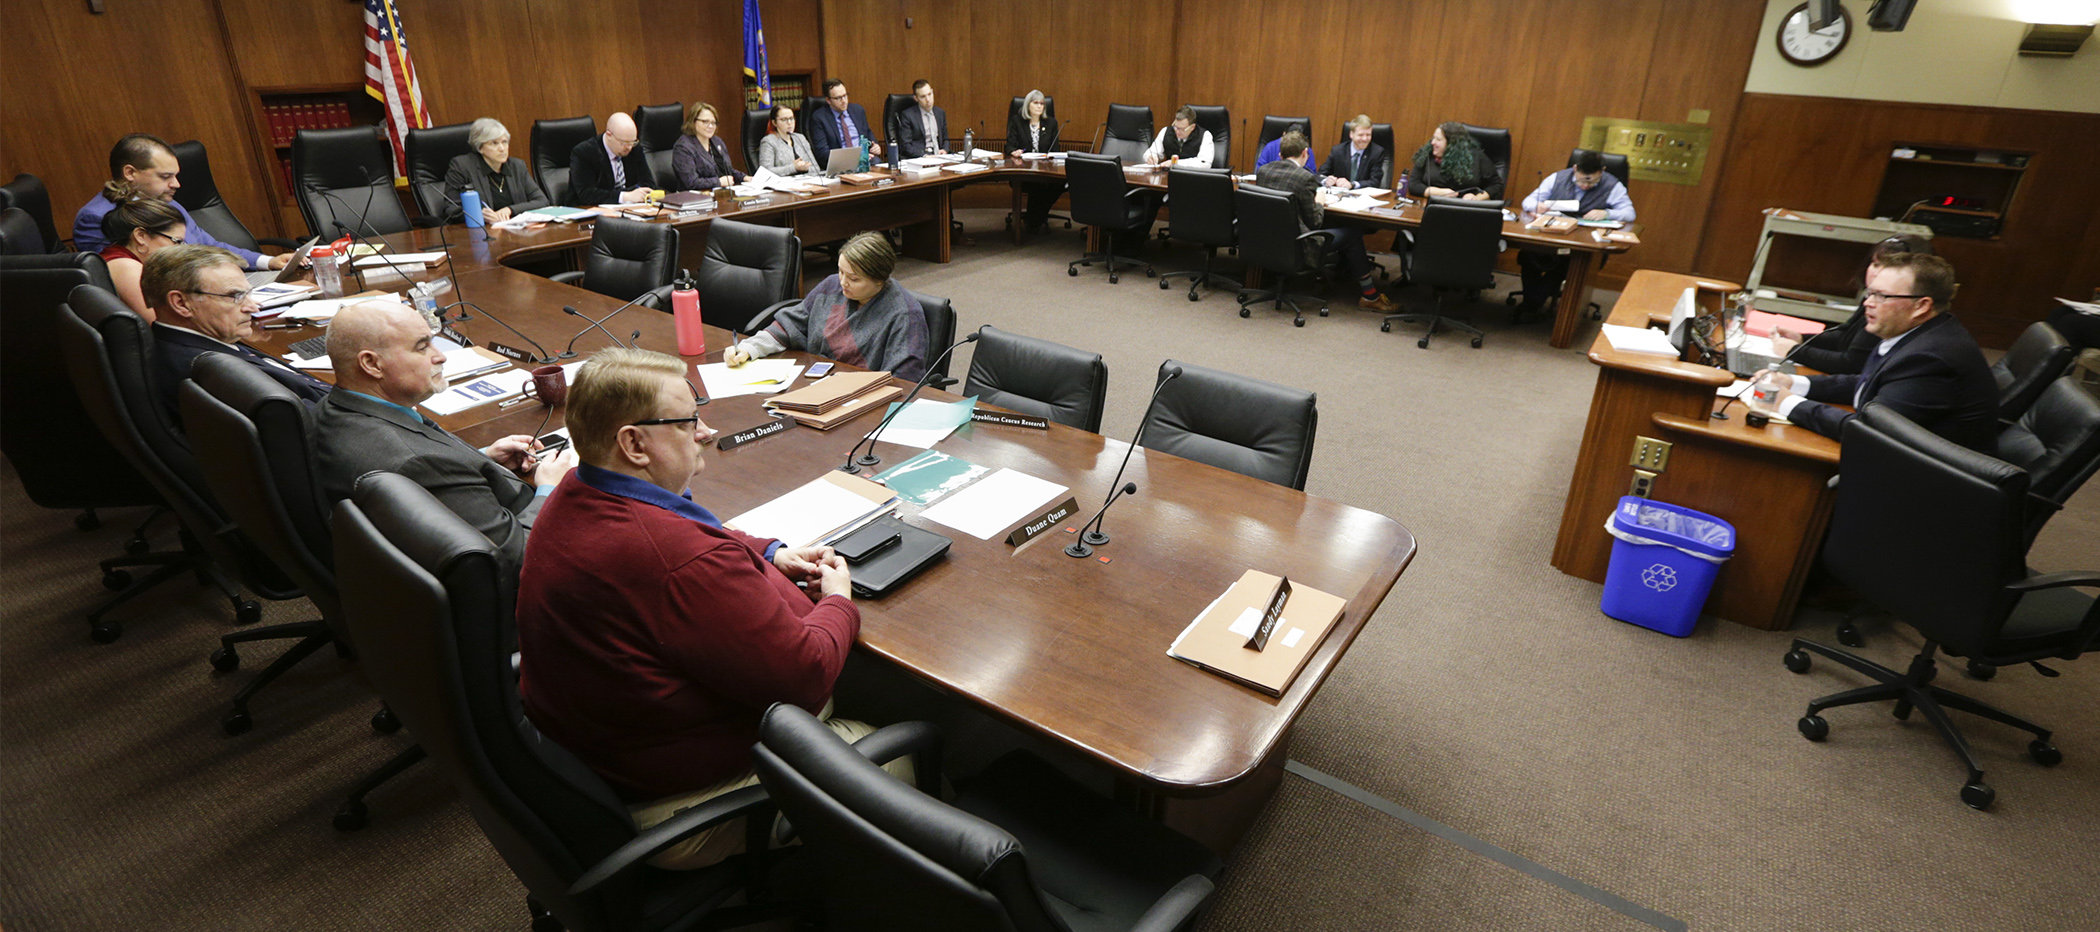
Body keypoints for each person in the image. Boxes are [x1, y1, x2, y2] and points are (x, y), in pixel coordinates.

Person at [516, 347, 906, 869]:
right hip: (685, 800)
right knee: (918, 745)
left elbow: (691, 531)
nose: (704, 431)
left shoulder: (575, 490)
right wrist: (838, 600)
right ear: (633, 443)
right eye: (688, 420)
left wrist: (769, 551)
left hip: (609, 759)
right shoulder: (677, 559)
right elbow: (806, 674)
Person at [312, 300, 575, 566]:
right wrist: (551, 488)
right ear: (372, 364)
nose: (441, 356)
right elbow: (519, 555)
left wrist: (483, 458)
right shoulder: (419, 463)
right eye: (422, 346)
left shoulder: (331, 409)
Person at [1748, 253, 1997, 451]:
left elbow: (1869, 432)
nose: (1868, 302)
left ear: (1921, 306)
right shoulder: (1913, 331)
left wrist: (1787, 402)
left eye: (1882, 296)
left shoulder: (1932, 358)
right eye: (1870, 293)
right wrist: (1795, 383)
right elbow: (1869, 383)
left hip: (1927, 487)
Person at [142, 245, 331, 421]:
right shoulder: (212, 372)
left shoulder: (194, 341)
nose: (253, 307)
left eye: (248, 293)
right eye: (235, 296)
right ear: (181, 304)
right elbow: (319, 426)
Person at [722, 232, 929, 381]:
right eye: (841, 271)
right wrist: (750, 348)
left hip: (859, 397)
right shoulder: (831, 286)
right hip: (813, 378)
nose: (843, 283)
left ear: (880, 280)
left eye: (854, 279)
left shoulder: (904, 315)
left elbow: (902, 380)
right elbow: (790, 325)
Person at [72, 134, 290, 270]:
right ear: (130, 172)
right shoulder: (96, 217)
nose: (176, 184)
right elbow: (117, 278)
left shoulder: (169, 203)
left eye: (176, 176)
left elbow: (211, 247)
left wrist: (268, 262)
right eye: (165, 177)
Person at [1254, 132, 1396, 312]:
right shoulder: (1304, 178)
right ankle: (1370, 296)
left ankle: (1323, 278)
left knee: (1334, 228)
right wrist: (1319, 202)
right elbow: (1315, 223)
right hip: (1299, 245)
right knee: (1352, 233)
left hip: (1268, 241)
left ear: (1280, 155)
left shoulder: (1264, 172)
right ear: (1305, 153)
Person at [1768, 235, 1932, 374]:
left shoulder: (1895, 308)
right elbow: (1844, 336)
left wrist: (1795, 351)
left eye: (1888, 266)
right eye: (1875, 263)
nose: (1876, 272)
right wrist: (1802, 339)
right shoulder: (1872, 296)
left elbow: (1852, 364)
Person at [1514, 150, 1636, 320]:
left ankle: (1531, 304)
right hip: (1554, 234)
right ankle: (1533, 302)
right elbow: (1528, 201)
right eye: (1581, 180)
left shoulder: (1613, 185)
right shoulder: (1558, 178)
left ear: (1602, 171)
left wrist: (1607, 213)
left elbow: (1630, 213)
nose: (1585, 186)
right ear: (1575, 168)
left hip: (1584, 242)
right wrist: (1537, 206)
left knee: (1565, 263)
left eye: (1591, 182)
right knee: (1527, 255)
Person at [442, 118, 549, 225]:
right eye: (494, 143)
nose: (502, 148)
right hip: (482, 232)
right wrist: (478, 215)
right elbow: (451, 208)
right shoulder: (462, 167)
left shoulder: (517, 166)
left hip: (516, 229)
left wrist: (510, 209)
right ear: (480, 147)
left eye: (504, 142)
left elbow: (542, 201)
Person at [97, 198, 187, 321]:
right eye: (177, 241)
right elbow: (159, 323)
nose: (180, 249)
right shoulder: (125, 267)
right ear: (141, 236)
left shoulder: (125, 259)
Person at [1006, 89, 1065, 233]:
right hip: (1023, 170)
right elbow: (1009, 146)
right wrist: (1014, 151)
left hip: (1045, 170)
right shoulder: (1017, 121)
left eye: (1042, 104)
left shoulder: (1051, 123)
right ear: (1028, 105)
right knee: (1038, 185)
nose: (1039, 106)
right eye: (1035, 103)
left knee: (1060, 184)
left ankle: (1034, 218)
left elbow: (1055, 150)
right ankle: (1035, 220)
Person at [567, 112, 654, 206]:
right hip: (590, 211)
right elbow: (586, 194)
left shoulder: (633, 148)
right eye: (624, 143)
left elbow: (648, 182)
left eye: (632, 142)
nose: (629, 147)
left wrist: (632, 195)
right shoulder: (584, 153)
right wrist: (625, 196)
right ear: (609, 135)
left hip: (630, 208)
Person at [1407, 122, 1502, 201]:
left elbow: (1496, 185)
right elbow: (1413, 185)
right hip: (1433, 206)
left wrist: (1477, 198)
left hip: (1466, 209)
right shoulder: (1427, 154)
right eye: (1433, 138)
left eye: (1438, 139)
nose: (1433, 142)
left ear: (1452, 145)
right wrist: (1440, 192)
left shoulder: (1476, 157)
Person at [807, 79, 882, 169]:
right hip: (840, 164)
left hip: (865, 161)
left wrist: (875, 146)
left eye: (845, 95)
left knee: (881, 168)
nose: (844, 101)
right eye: (838, 98)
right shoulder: (819, 117)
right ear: (828, 100)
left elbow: (868, 133)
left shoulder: (857, 110)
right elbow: (822, 152)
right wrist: (853, 158)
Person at [671, 102, 747, 192]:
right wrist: (718, 182)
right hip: (695, 199)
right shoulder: (683, 147)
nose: (710, 126)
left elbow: (727, 170)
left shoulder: (716, 141)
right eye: (705, 122)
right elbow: (691, 182)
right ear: (693, 121)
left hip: (720, 193)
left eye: (713, 123)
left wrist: (744, 177)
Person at [1321, 115, 1388, 189]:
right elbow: (1320, 175)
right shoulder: (1337, 151)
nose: (1365, 139)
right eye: (1361, 135)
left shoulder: (1376, 153)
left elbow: (1375, 182)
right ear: (1351, 134)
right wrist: (1326, 180)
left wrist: (1352, 184)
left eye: (1368, 135)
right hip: (1339, 195)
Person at [1144, 106, 1215, 168]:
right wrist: (1151, 157)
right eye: (1176, 127)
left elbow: (1205, 164)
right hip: (1169, 177)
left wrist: (1176, 163)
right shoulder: (1166, 131)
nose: (1177, 132)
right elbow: (1150, 152)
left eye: (1182, 129)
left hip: (1193, 177)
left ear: (1192, 127)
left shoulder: (1205, 136)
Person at [758, 104, 819, 176]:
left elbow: (816, 168)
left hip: (805, 183)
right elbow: (765, 172)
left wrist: (805, 168)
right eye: (784, 120)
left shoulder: (800, 138)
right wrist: (794, 168)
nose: (789, 123)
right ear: (774, 123)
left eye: (792, 118)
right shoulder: (769, 141)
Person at [896, 79, 949, 159]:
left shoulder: (940, 113)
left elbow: (946, 139)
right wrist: (924, 155)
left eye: (929, 94)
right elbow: (905, 146)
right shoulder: (907, 115)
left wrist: (944, 150)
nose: (928, 99)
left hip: (939, 157)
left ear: (932, 92)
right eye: (923, 96)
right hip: (920, 158)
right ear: (916, 98)